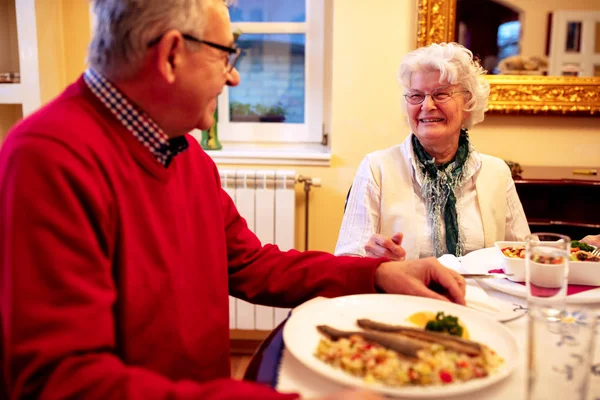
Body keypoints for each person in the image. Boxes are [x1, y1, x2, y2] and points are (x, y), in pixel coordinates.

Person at [0, 2, 467, 399]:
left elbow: (251, 264)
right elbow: (61, 380)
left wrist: (377, 272)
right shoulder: (47, 158)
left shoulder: (184, 152)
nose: (235, 76)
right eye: (226, 55)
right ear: (171, 55)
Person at [335, 42, 530, 261]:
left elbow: (523, 257)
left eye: (441, 94)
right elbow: (347, 260)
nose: (427, 106)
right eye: (416, 95)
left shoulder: (497, 173)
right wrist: (378, 263)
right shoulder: (376, 168)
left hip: (478, 295)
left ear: (468, 103)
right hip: (403, 294)